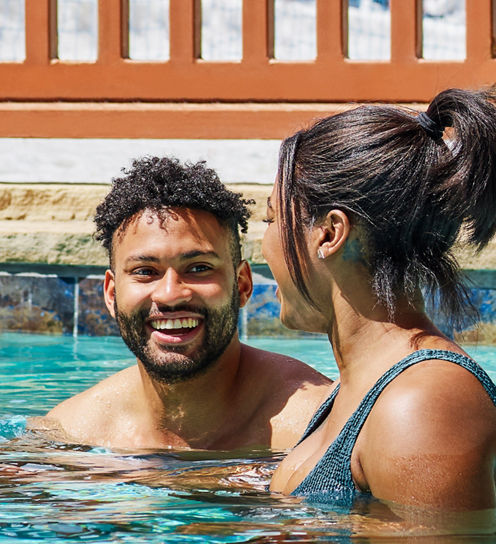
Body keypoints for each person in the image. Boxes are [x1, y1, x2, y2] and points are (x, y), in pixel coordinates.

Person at [261, 88, 496, 521]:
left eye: (273, 218)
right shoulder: (359, 389)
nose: (263, 245)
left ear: (330, 234)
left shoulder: (420, 406)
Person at [30, 157, 334, 451]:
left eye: (199, 268)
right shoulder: (72, 433)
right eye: (145, 272)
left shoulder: (316, 426)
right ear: (111, 295)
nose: (170, 294)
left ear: (242, 285)